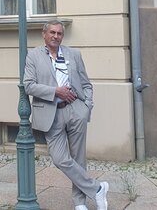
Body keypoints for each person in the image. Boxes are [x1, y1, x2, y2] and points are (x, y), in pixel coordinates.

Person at [23, 20, 109, 210]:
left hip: (75, 110)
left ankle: (80, 203)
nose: (55, 36)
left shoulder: (74, 54)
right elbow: (29, 85)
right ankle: (97, 189)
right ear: (44, 34)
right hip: (50, 112)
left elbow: (86, 84)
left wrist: (86, 106)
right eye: (52, 33)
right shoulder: (33, 56)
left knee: (79, 158)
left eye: (59, 33)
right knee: (60, 158)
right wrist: (56, 91)